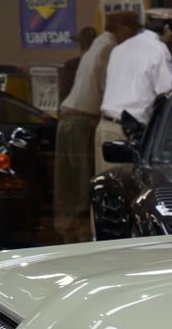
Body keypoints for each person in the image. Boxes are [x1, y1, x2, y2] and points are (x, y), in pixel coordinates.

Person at [54, 21, 125, 241]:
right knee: (83, 183)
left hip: (65, 120)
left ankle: (67, 234)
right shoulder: (107, 48)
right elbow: (106, 90)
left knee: (66, 183)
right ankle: (83, 236)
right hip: (83, 123)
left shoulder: (89, 53)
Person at [97, 7, 172, 172]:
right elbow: (168, 94)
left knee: (108, 188)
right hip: (127, 133)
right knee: (129, 189)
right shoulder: (158, 50)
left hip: (105, 128)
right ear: (166, 28)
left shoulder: (120, 49)